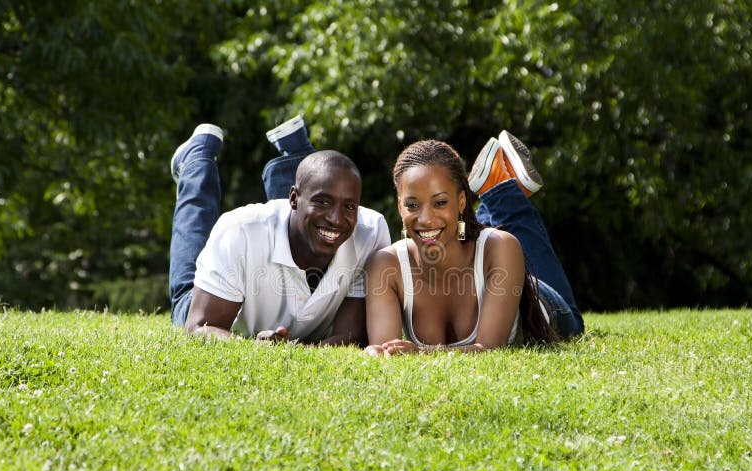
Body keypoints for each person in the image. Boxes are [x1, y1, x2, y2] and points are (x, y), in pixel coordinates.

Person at [169, 116, 390, 344]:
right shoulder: (241, 231)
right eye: (322, 202)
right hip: (220, 299)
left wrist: (296, 351)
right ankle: (197, 158)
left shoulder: (370, 233)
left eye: (350, 206)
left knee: (309, 213)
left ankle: (295, 152)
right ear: (292, 198)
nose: (336, 219)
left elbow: (352, 336)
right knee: (186, 284)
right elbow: (200, 327)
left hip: (290, 222)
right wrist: (255, 348)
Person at [364, 130, 584, 355]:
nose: (426, 218)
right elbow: (385, 350)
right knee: (457, 228)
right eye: (412, 205)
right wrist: (379, 352)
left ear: (461, 201)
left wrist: (420, 353)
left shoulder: (500, 248)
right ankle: (494, 189)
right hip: (468, 241)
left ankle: (502, 190)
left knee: (575, 322)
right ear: (400, 206)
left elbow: (489, 348)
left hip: (540, 302)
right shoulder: (385, 264)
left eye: (439, 202)